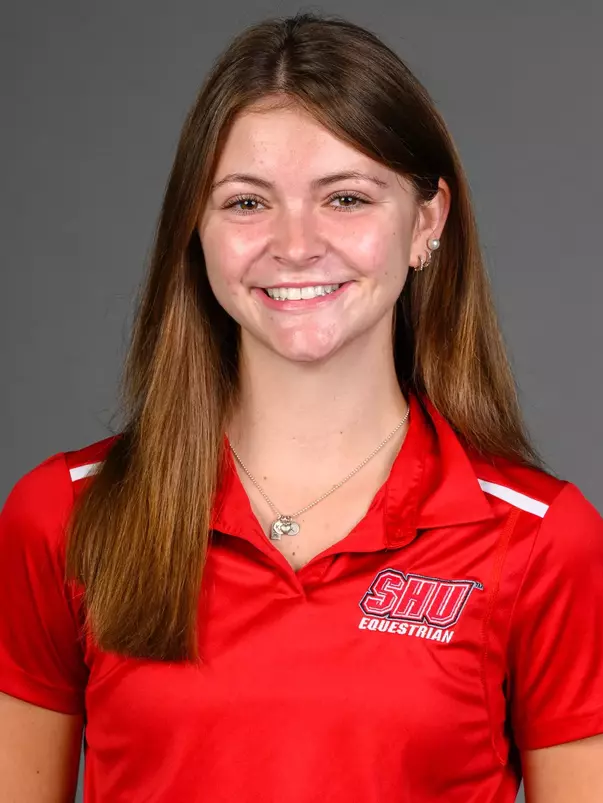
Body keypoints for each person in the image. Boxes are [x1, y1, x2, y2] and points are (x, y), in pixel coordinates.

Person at [1, 10, 602, 803]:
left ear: (426, 221)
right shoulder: (64, 516)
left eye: (346, 198)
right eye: (247, 203)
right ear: (197, 229)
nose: (294, 243)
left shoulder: (538, 540)